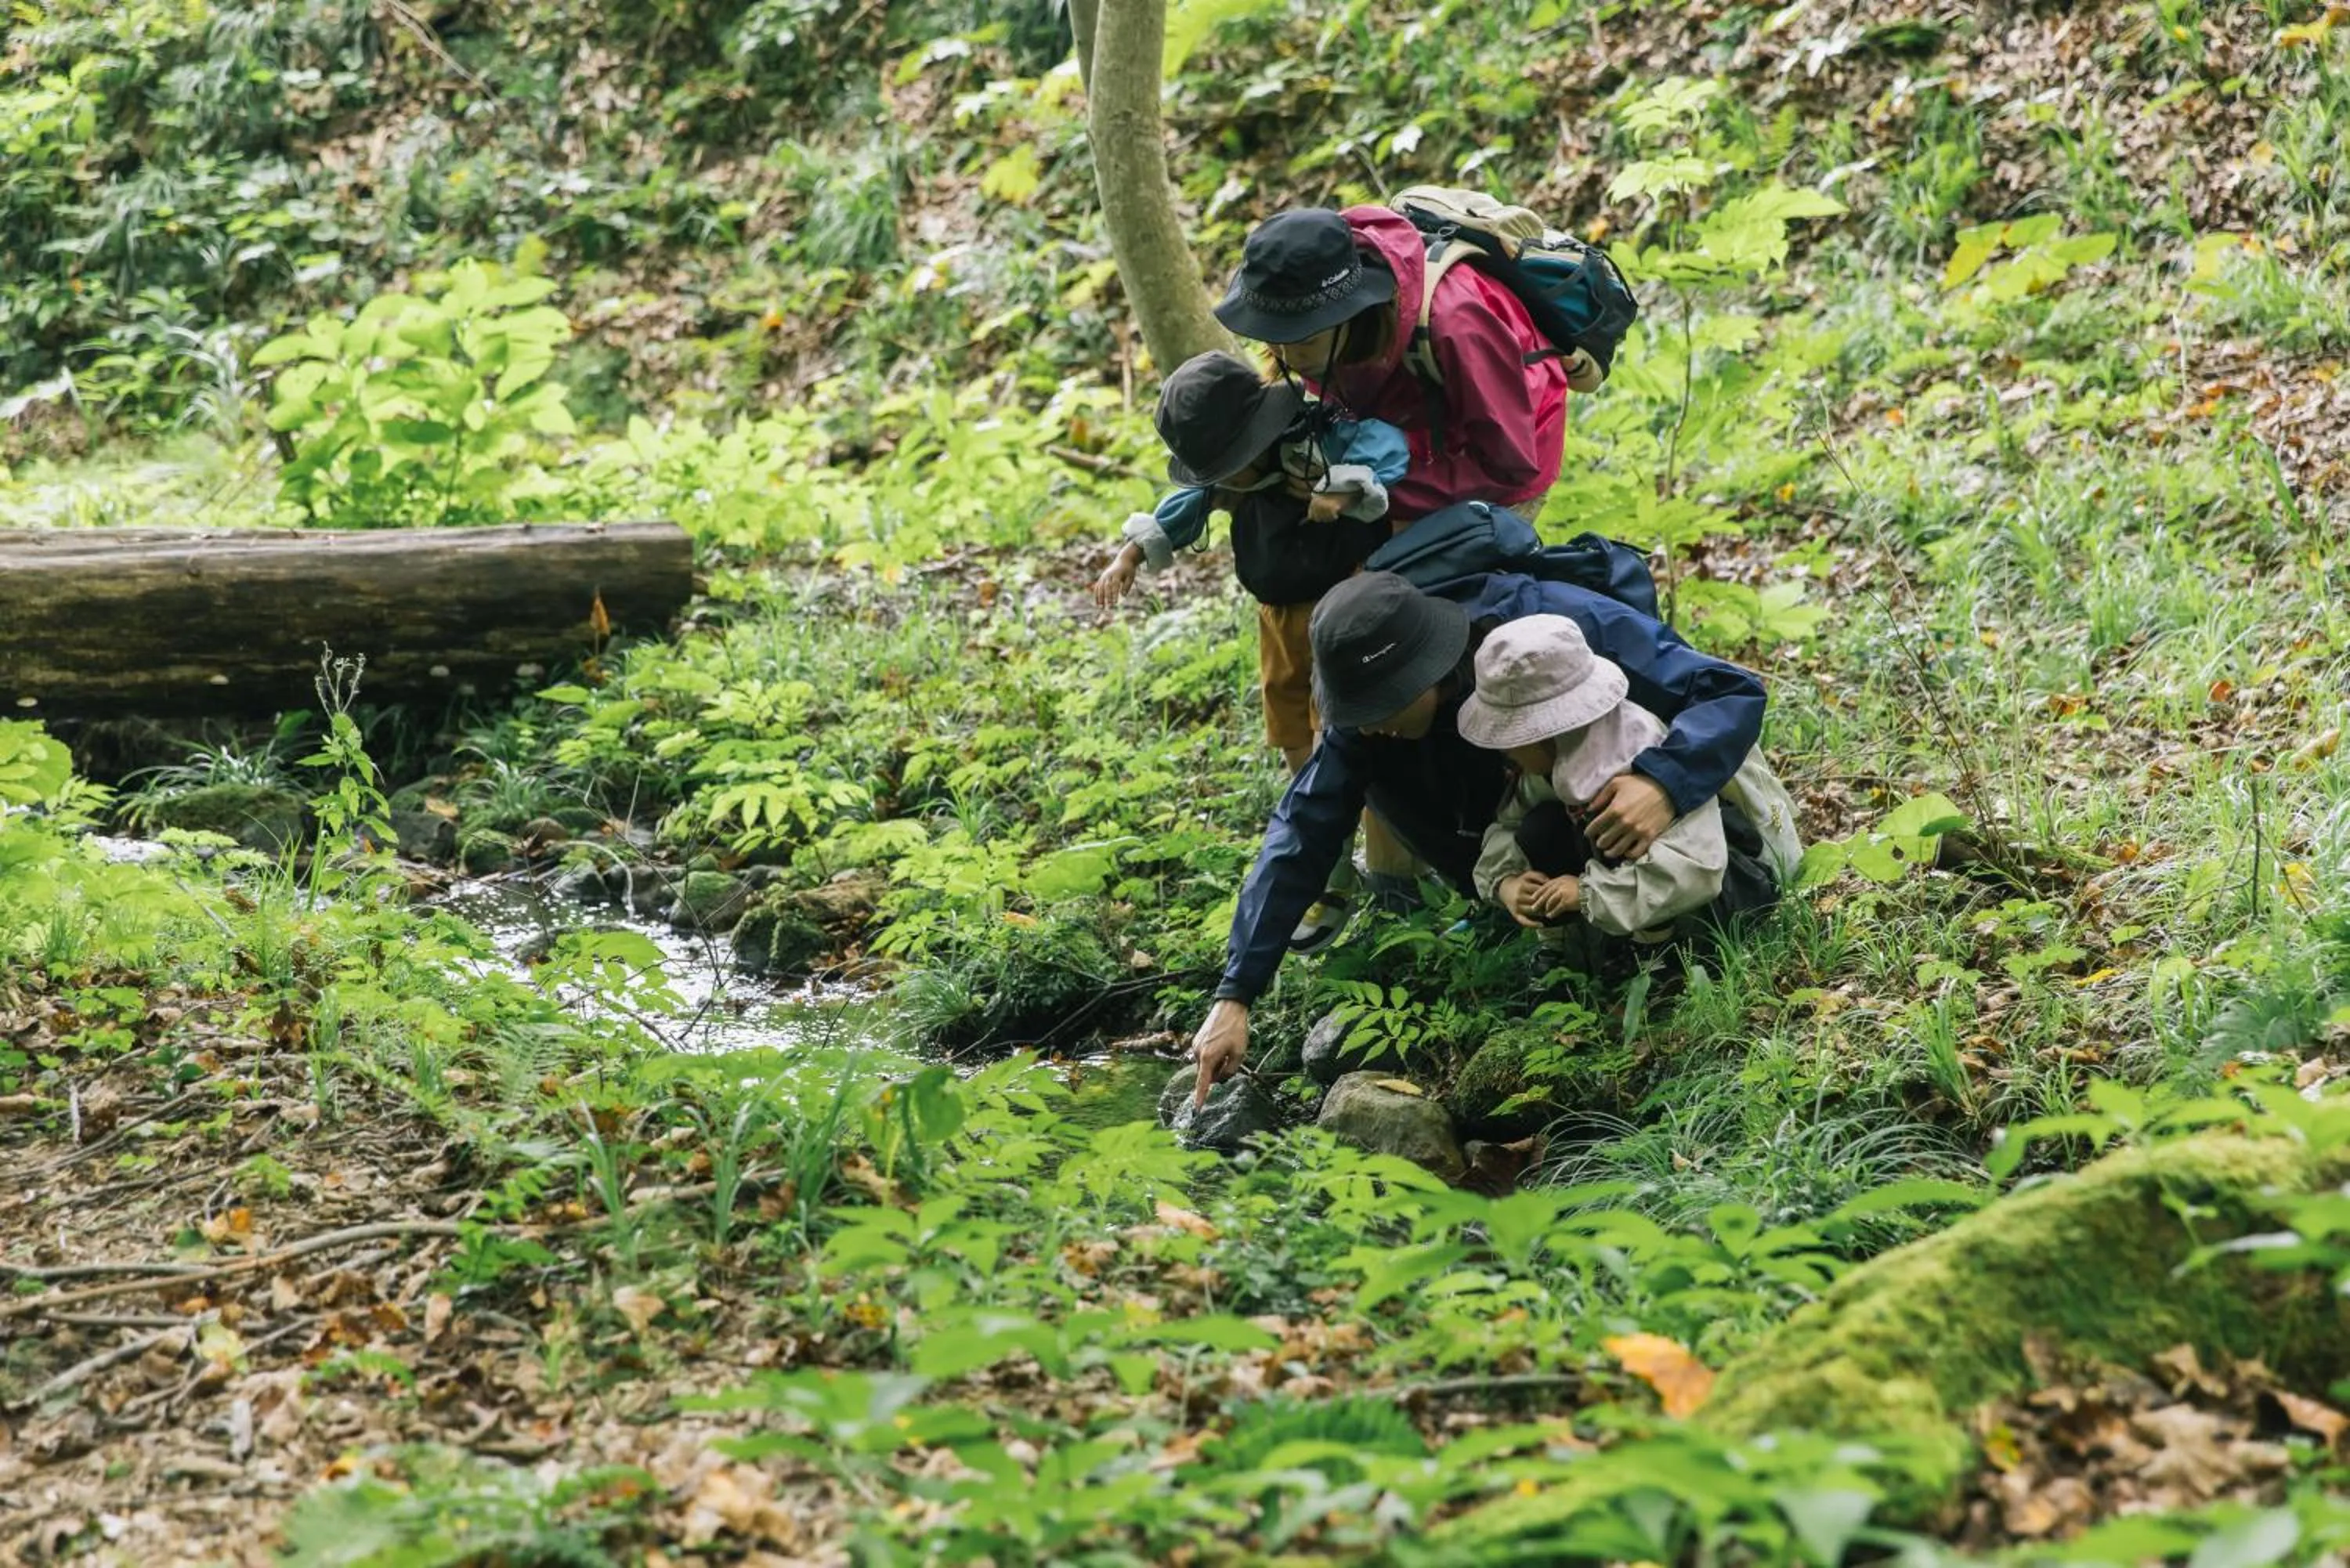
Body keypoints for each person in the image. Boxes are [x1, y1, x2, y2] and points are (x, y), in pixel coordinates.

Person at [1189, 570, 1772, 1106]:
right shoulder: (1369, 722)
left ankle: (1667, 949)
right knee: (1509, 818)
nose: (1367, 724)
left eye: (1378, 708)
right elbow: (1300, 833)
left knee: (1625, 835)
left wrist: (1663, 783)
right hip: (1536, 812)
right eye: (1355, 712)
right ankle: (1565, 937)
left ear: (1428, 672)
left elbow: (1729, 691)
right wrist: (1235, 994)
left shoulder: (1552, 638)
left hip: (1653, 800)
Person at [1092, 350, 1408, 951]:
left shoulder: (1316, 440)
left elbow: (1389, 445)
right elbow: (1189, 505)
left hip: (1341, 606)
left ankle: (1393, 876)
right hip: (1279, 617)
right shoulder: (1230, 479)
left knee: (1353, 732)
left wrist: (1342, 493)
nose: (1220, 480)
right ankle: (1328, 864)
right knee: (1293, 731)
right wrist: (1131, 554)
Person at [1214, 207, 1571, 526]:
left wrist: (1362, 490)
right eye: (1274, 338)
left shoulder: (1456, 325)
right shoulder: (1305, 297)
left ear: (1354, 312)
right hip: (1413, 439)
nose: (1288, 357)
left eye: (1305, 340)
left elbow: (1512, 466)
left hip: (1508, 466)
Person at [1458, 614, 1799, 947]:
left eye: (1511, 736)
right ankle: (1585, 949)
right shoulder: (1551, 766)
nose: (1503, 748)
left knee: (1615, 826)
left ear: (1550, 733)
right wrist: (1507, 882)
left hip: (1724, 893)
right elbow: (1509, 825)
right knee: (1539, 828)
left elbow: (1697, 867)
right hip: (1630, 898)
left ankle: (1671, 951)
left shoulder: (1638, 756)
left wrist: (1588, 894)